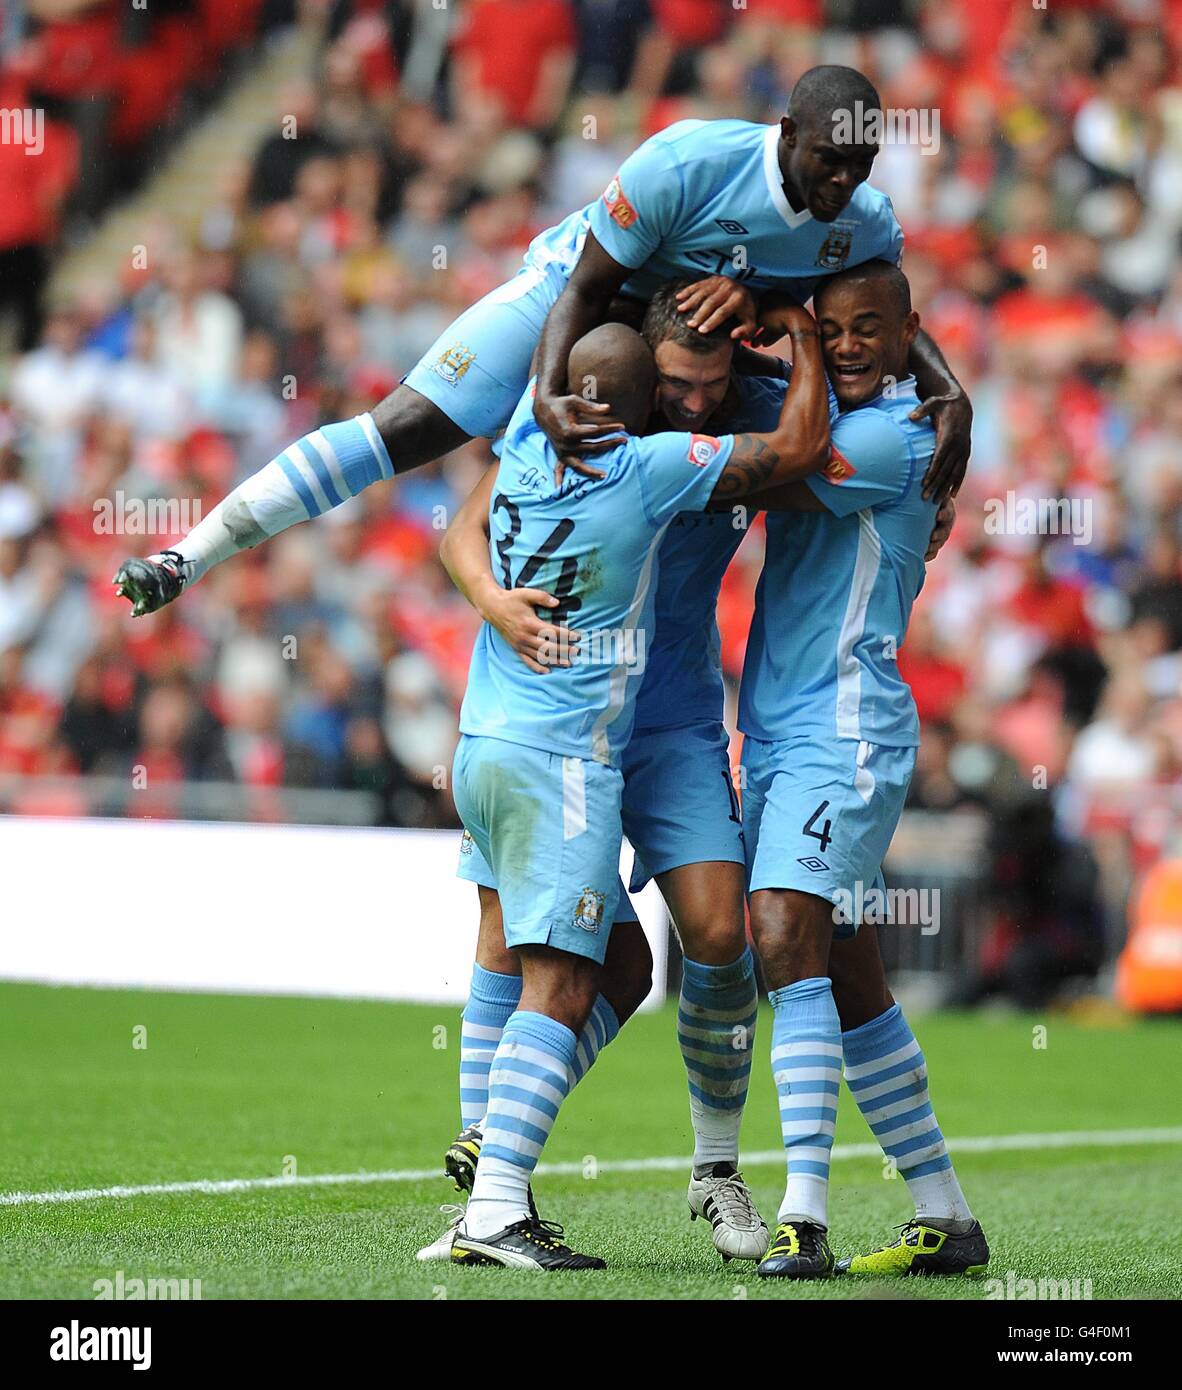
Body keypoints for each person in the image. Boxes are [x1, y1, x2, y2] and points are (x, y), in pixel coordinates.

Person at [112, 65, 971, 618]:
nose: (843, 183)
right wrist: (550, 392)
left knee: (789, 448)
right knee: (403, 432)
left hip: (685, 339)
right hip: (574, 296)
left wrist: (948, 393)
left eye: (858, 168)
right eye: (829, 161)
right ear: (787, 135)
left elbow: (889, 313)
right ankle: (190, 555)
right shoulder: (685, 164)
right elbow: (588, 289)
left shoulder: (860, 220)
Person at [448, 301, 833, 1269]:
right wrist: (495, 603)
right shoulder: (572, 417)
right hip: (557, 721)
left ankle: (711, 1168)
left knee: (715, 930)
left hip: (667, 722)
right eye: (678, 387)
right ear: (637, 375)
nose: (698, 402)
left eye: (713, 386)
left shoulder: (739, 415)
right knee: (529, 943)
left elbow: (821, 439)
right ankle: (494, 1179)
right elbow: (464, 521)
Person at [730, 259, 988, 1280]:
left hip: (847, 731)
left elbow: (763, 469)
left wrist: (778, 335)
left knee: (783, 935)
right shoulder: (866, 414)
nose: (842, 346)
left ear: (908, 332)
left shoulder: (895, 435)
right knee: (844, 969)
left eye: (865, 330)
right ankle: (944, 1213)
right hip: (790, 729)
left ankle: (804, 1213)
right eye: (828, 330)